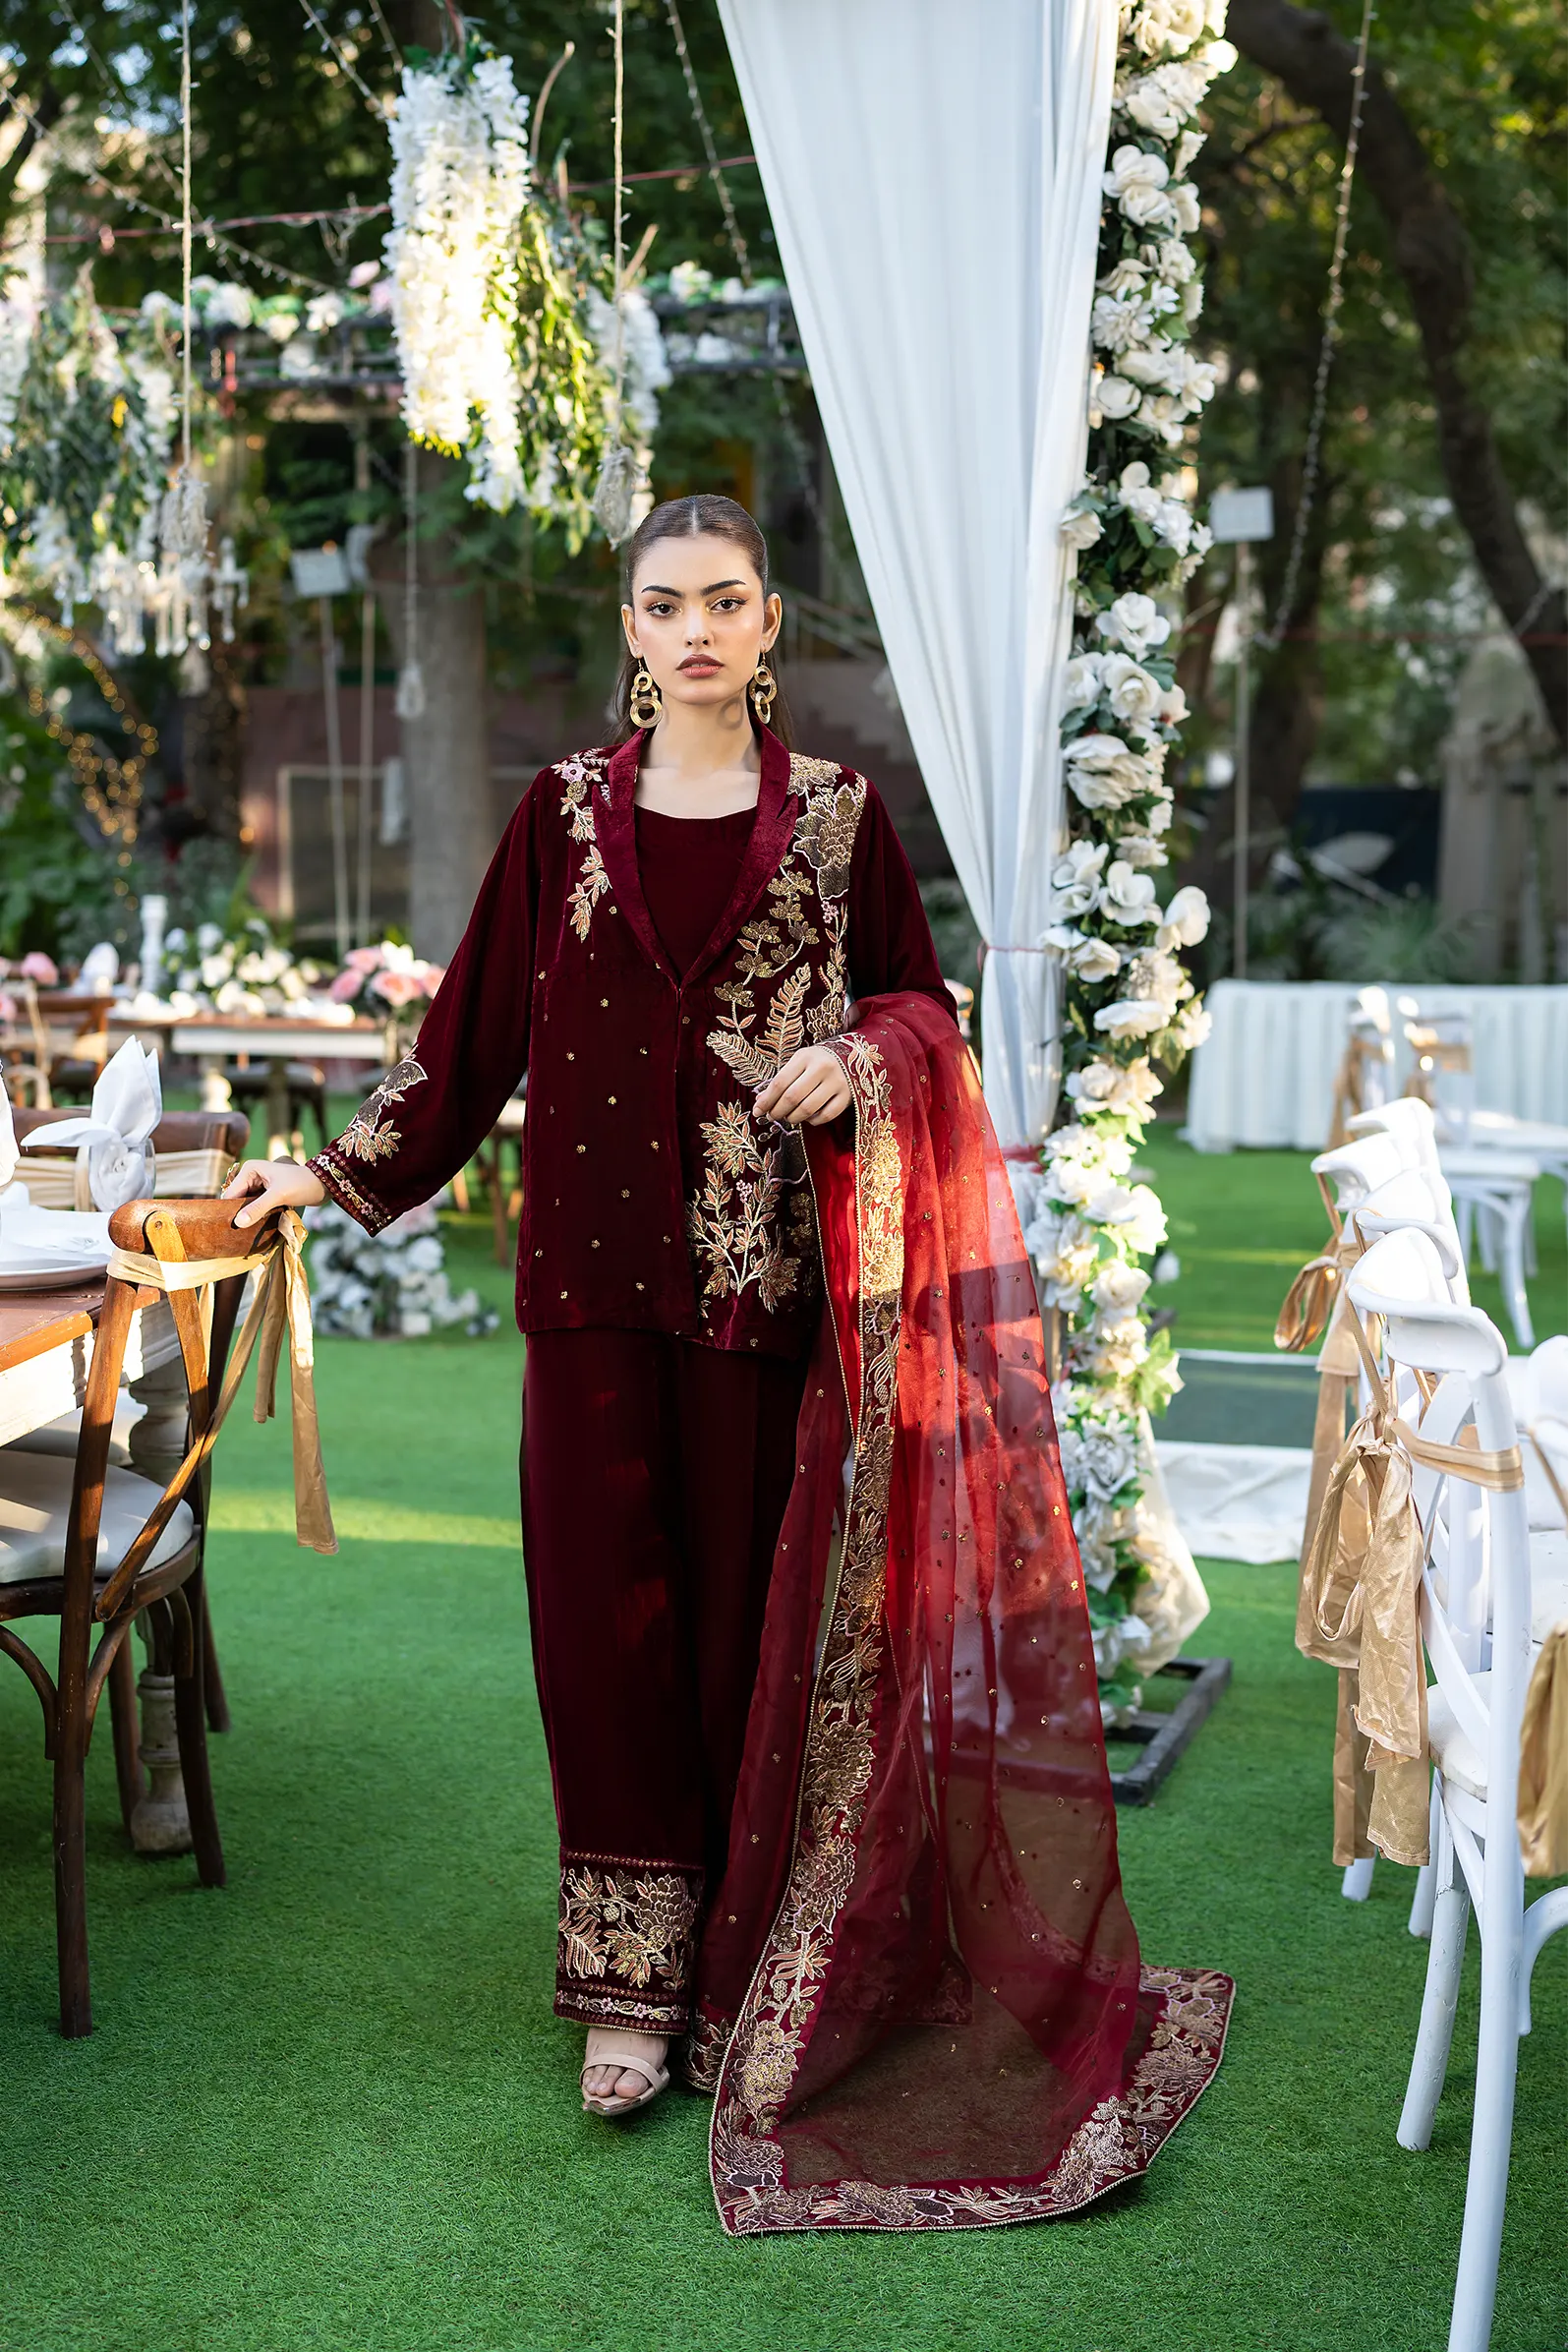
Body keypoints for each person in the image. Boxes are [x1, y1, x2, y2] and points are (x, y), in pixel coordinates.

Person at [227, 495, 1231, 2231]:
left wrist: (861, 1054)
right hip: (593, 1294)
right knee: (602, 1635)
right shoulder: (561, 814)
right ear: (630, 629)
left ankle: (754, 1971)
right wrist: (328, 1172)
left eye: (725, 600)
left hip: (770, 1300)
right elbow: (470, 1036)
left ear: (768, 624)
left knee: (751, 1641)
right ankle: (627, 1986)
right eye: (664, 603)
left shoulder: (839, 820)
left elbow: (923, 1009)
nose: (695, 629)